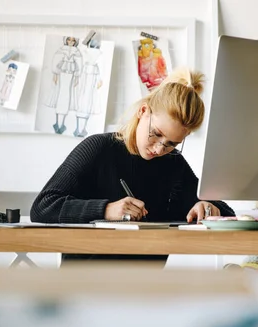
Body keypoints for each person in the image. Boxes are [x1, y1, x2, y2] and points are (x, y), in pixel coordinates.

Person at [31, 67, 235, 264]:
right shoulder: (99, 148)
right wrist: (105, 210)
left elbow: (229, 213)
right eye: (156, 133)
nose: (159, 149)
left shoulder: (173, 164)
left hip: (145, 286)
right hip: (85, 283)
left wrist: (210, 208)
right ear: (143, 111)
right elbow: (42, 207)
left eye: (172, 143)